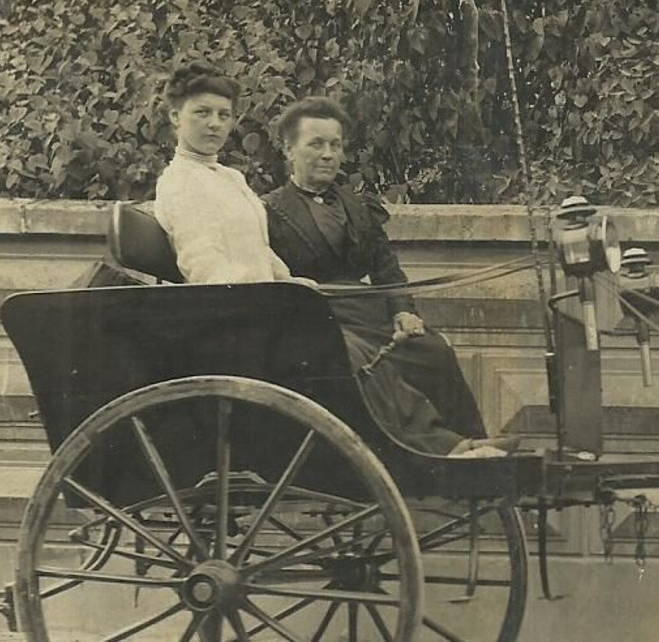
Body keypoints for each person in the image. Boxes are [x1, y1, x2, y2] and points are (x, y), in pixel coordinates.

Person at [150, 63, 508, 457]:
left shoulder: (229, 179)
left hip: (275, 308)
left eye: (223, 115)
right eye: (201, 113)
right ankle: (435, 446)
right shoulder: (179, 184)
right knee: (347, 350)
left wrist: (291, 282)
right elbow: (204, 266)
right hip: (243, 318)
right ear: (174, 116)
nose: (215, 124)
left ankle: (462, 439)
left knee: (416, 349)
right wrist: (276, 293)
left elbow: (259, 252)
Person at [261, 96, 496, 445]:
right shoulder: (267, 210)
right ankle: (429, 447)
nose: (328, 154)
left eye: (335, 145)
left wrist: (403, 311)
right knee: (365, 362)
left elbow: (386, 269)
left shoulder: (357, 205)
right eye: (316, 144)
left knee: (433, 351)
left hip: (369, 315)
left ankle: (470, 446)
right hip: (317, 322)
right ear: (289, 150)